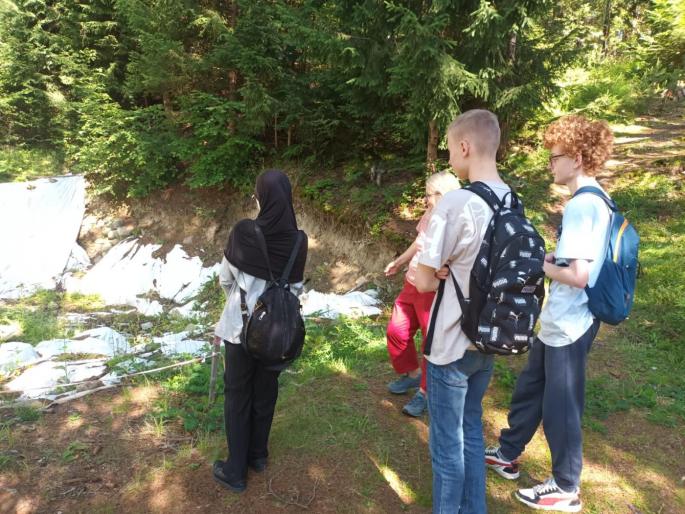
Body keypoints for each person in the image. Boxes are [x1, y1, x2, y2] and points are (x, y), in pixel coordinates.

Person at [485, 115, 613, 512]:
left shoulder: (583, 205)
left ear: (577, 158)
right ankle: (508, 453)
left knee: (561, 405)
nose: (550, 165)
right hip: (561, 319)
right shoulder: (596, 200)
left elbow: (578, 276)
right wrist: (556, 259)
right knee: (531, 387)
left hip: (571, 322)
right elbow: (579, 262)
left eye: (555, 157)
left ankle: (565, 486)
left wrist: (541, 265)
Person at [414, 109, 512, 513]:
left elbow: (423, 281)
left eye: (452, 150)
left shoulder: (457, 202)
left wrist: (439, 270)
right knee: (471, 430)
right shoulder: (511, 200)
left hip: (452, 343)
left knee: (446, 447)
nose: (451, 159)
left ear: (466, 147)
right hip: (488, 338)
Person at [213, 169, 308, 493]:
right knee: (266, 391)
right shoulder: (299, 240)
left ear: (261, 198)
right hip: (278, 331)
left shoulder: (244, 232)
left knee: (238, 394)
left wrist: (244, 300)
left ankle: (235, 471)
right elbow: (296, 287)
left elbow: (225, 278)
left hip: (240, 327)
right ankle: (258, 455)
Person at [385, 170, 461, 417]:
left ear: (443, 194)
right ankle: (412, 374)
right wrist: (399, 262)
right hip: (412, 282)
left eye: (429, 195)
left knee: (431, 343)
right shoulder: (430, 214)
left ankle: (426, 392)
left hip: (431, 290)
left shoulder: (456, 220)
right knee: (396, 330)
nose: (425, 199)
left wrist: (446, 269)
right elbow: (419, 243)